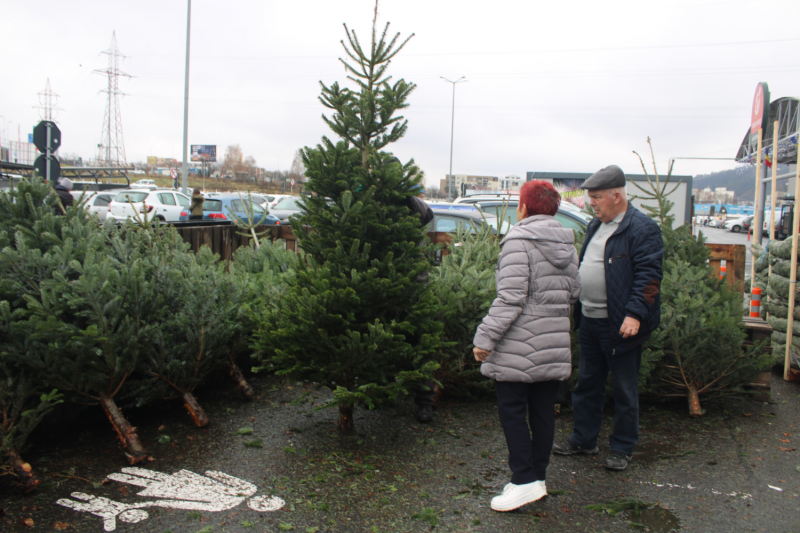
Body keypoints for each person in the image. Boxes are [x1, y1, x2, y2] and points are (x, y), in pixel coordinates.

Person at [473, 180, 581, 512]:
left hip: (519, 344)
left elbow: (510, 299)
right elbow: (574, 293)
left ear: (524, 207)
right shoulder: (567, 243)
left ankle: (523, 481)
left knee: (512, 412)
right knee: (543, 412)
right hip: (553, 341)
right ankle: (536, 478)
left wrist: (484, 339)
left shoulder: (518, 242)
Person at [552, 165, 663, 471]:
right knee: (587, 382)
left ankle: (622, 448)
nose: (592, 203)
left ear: (617, 195)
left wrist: (635, 315)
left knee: (625, 390)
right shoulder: (594, 225)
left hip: (621, 325)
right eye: (591, 197)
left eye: (597, 197)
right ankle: (584, 440)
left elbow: (649, 279)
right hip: (589, 319)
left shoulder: (641, 229)